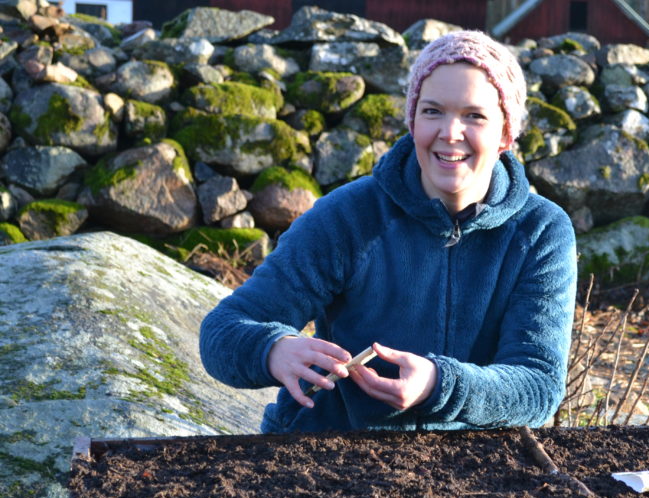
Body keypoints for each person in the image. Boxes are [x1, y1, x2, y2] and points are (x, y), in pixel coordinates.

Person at [199, 30, 577, 433]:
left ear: (505, 133)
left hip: (469, 473)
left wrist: (439, 385)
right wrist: (272, 349)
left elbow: (538, 385)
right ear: (412, 121)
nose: (450, 132)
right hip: (320, 460)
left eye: (474, 115)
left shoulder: (541, 231)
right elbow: (222, 331)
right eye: (432, 111)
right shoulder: (346, 216)